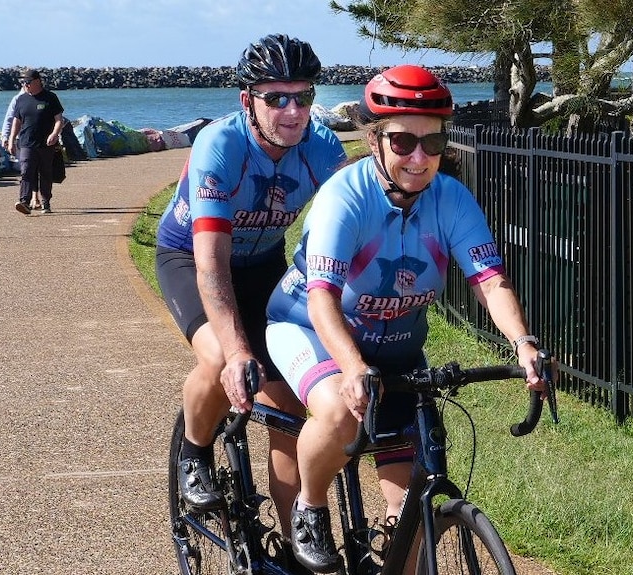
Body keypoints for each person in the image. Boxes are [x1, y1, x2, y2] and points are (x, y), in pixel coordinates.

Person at [264, 64, 548, 574]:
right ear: (374, 139)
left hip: (395, 347)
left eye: (433, 142)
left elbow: (488, 281)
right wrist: (350, 367)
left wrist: (523, 343)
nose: (419, 158)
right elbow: (322, 297)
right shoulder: (344, 197)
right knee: (335, 413)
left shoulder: (452, 199)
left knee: (410, 522)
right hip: (308, 327)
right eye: (402, 143)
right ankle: (309, 508)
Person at [155, 33, 346, 565]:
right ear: (248, 101)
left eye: (303, 97)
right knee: (220, 356)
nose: (292, 112)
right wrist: (240, 351)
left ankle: (291, 548)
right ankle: (193, 452)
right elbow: (211, 267)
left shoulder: (324, 148)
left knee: (287, 411)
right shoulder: (220, 146)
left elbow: (348, 235)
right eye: (275, 98)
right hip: (190, 258)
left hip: (262, 264)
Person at [7, 69, 64, 215]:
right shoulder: (21, 100)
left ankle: (46, 202)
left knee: (45, 173)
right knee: (26, 170)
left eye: (27, 82)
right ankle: (24, 201)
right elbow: (16, 122)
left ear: (37, 81)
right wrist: (11, 140)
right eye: (23, 82)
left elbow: (59, 120)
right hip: (26, 142)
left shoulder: (50, 98)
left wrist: (54, 134)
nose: (25, 85)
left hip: (46, 143)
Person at [0, 84, 42, 210]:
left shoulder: (43, 97)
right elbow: (9, 119)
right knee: (27, 169)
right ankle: (26, 199)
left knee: (37, 169)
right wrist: (5, 137)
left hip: (39, 139)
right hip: (22, 140)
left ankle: (36, 197)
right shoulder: (18, 99)